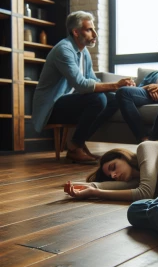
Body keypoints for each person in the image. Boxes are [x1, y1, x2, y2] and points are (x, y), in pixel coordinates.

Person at [32, 11, 135, 164]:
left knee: (114, 99)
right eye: (89, 30)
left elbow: (92, 79)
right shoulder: (64, 50)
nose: (95, 34)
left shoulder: (83, 51)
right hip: (52, 106)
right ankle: (75, 147)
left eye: (94, 30)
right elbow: (81, 85)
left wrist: (120, 88)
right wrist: (115, 85)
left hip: (69, 102)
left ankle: (77, 143)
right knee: (98, 99)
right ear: (76, 32)